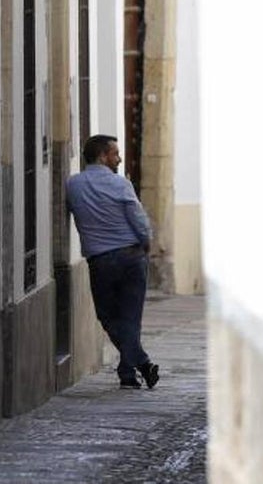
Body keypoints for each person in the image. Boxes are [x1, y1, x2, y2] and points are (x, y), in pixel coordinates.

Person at [66, 134, 160, 390]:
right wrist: (147, 241)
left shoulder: (73, 185)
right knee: (130, 318)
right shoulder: (121, 185)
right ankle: (140, 363)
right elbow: (138, 219)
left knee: (108, 317)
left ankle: (130, 372)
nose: (119, 159)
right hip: (131, 257)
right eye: (115, 154)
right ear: (102, 156)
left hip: (101, 260)